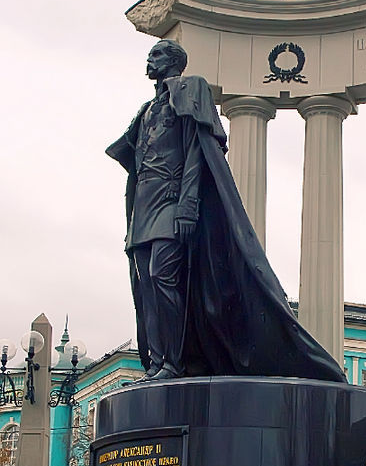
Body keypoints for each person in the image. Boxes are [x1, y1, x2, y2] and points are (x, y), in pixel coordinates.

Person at [107, 39, 345, 383]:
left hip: (172, 201)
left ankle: (173, 363)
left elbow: (196, 150)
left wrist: (188, 204)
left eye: (158, 54)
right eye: (150, 54)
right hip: (144, 206)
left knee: (163, 276)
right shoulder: (146, 110)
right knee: (146, 287)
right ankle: (156, 363)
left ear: (175, 62)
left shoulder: (191, 89)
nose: (150, 58)